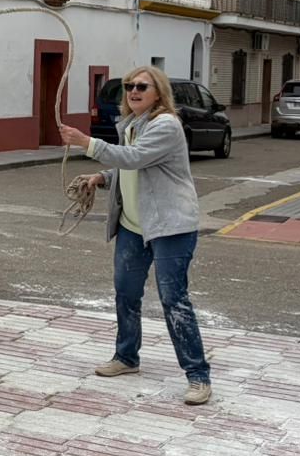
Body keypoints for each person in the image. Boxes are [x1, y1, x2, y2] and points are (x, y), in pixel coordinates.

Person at [58, 65, 212, 406]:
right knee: (125, 292)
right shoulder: (132, 125)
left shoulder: (166, 125)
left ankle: (198, 376)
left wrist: (87, 143)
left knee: (174, 300)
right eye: (128, 86)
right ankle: (127, 357)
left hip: (170, 227)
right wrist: (103, 177)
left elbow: (136, 158)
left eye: (142, 86)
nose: (133, 91)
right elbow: (133, 167)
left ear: (159, 92)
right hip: (133, 224)